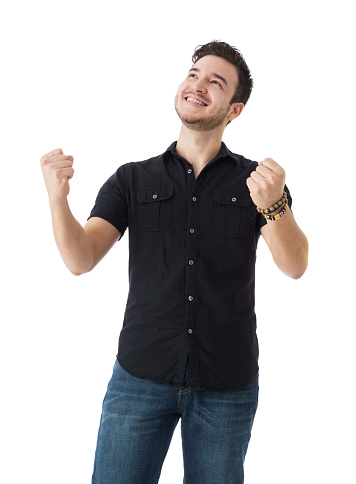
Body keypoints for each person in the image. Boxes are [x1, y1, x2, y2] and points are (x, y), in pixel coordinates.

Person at [40, 40, 308, 484]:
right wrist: (56, 199)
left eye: (216, 82)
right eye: (194, 74)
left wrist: (275, 205)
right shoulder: (132, 178)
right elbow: (80, 258)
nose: (198, 85)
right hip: (140, 378)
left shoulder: (257, 183)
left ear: (234, 110)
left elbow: (295, 264)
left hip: (227, 384)